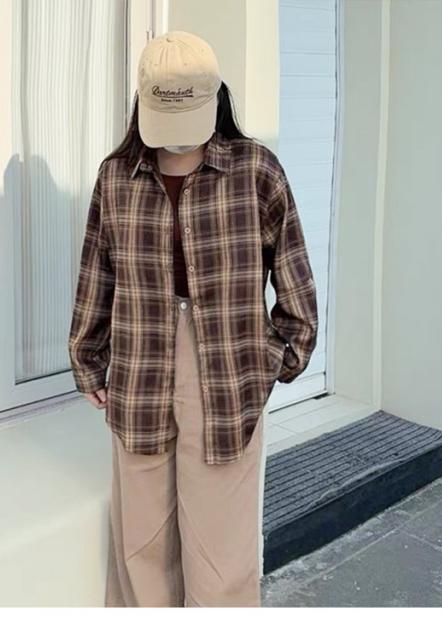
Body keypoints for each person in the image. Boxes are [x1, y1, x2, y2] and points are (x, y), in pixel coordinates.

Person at [68, 30, 318, 607]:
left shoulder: (256, 171)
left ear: (215, 98)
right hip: (140, 369)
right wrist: (87, 358)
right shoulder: (117, 177)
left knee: (220, 555)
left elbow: (295, 278)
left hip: (227, 374)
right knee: (141, 549)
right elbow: (96, 274)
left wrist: (274, 360)